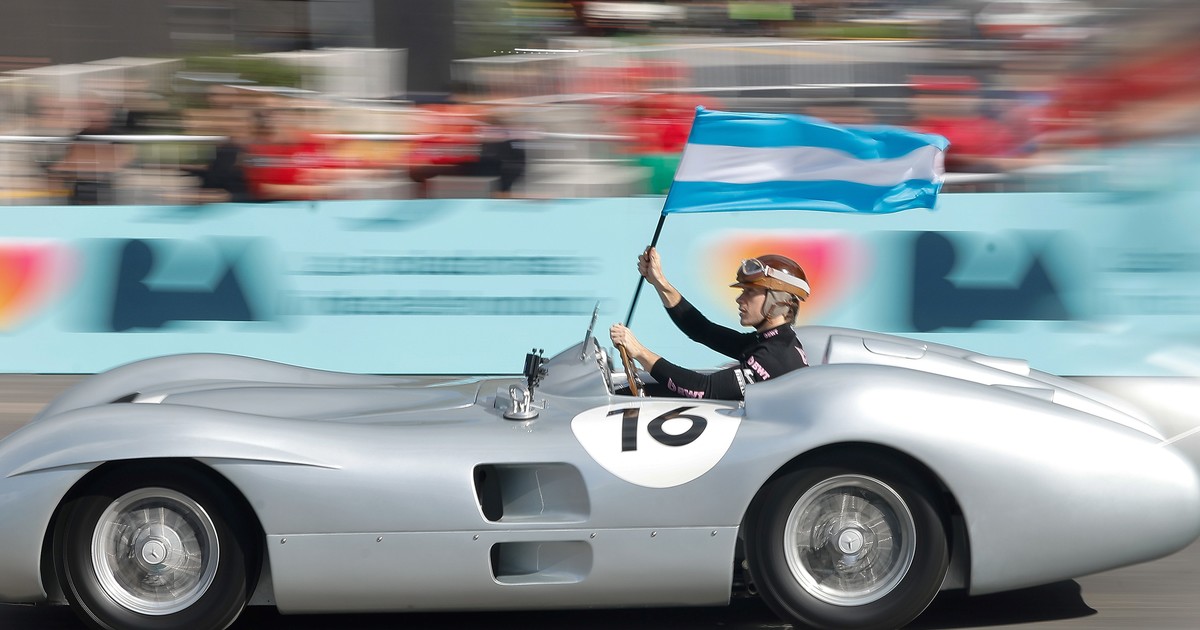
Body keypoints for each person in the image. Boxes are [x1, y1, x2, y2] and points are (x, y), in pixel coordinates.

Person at [610, 247, 810, 400]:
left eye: (750, 292)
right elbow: (701, 329)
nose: (739, 299)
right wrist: (659, 281)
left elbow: (703, 389)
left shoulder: (775, 357)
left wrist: (640, 352)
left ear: (778, 300)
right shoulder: (774, 341)